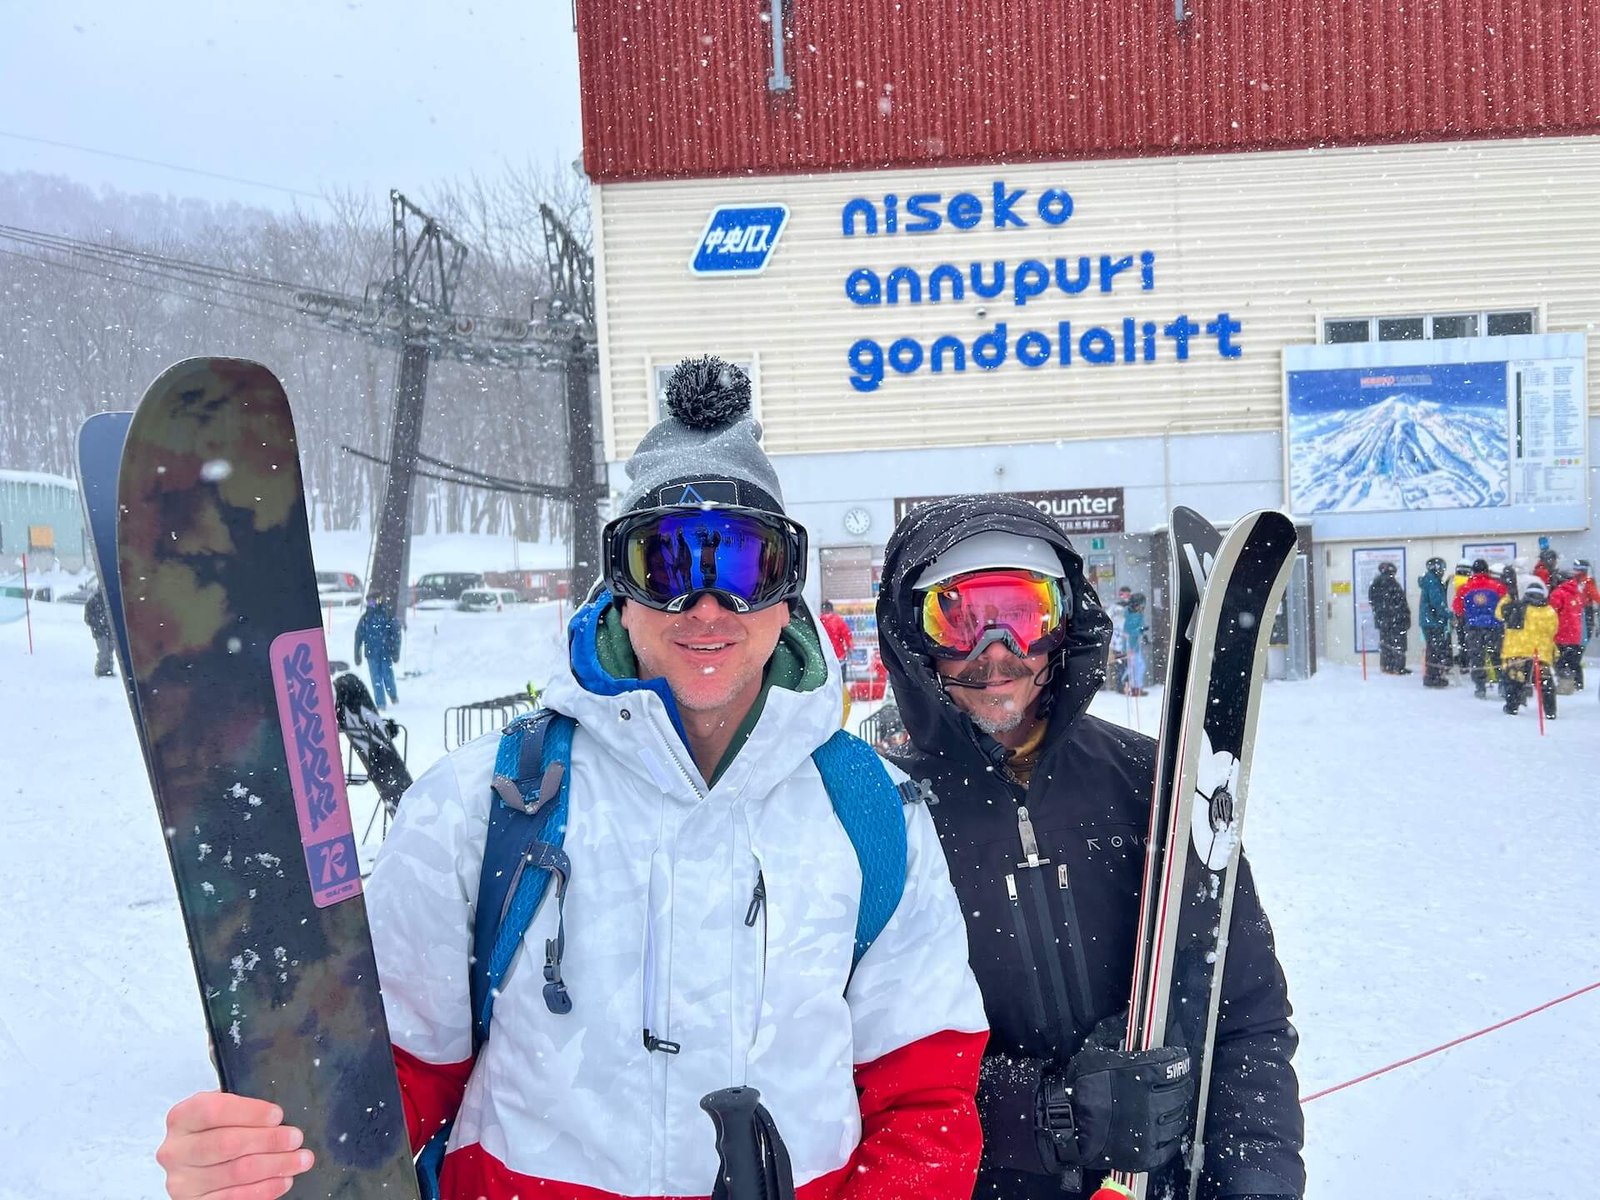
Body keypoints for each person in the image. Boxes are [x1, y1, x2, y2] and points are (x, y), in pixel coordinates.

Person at [154, 356, 987, 1200]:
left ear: (786, 594)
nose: (706, 607)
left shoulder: (874, 812)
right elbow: (393, 1080)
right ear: (619, 588)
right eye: (667, 566)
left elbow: (926, 1103)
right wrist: (268, 1157)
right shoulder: (481, 804)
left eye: (741, 565)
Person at [874, 496, 1305, 1200]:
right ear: (911, 635)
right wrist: (1046, 1115)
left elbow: (1245, 1015)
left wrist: (1254, 1182)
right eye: (958, 619)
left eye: (1022, 614)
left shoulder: (1156, 784)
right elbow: (857, 1066)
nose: (996, 654)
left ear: (1064, 624)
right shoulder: (876, 812)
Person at [1497, 576, 1558, 718]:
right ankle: (1550, 711)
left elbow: (1499, 613)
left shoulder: (1517, 608)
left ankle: (1512, 707)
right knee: (1545, 683)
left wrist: (1509, 596)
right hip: (1541, 654)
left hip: (1517, 652)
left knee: (1514, 680)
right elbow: (1554, 631)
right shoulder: (1550, 611)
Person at [1452, 558, 1506, 699]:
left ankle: (1480, 687)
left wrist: (1470, 614)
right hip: (1495, 627)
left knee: (1477, 658)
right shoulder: (1497, 586)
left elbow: (1458, 608)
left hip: (1474, 628)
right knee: (1497, 656)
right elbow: (1505, 605)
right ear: (1487, 571)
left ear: (1473, 572)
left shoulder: (1465, 588)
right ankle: (1502, 684)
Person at [354, 598, 402, 709]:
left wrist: (395, 651)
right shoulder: (366, 618)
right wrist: (357, 653)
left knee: (386, 676)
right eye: (372, 601)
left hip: (384, 652)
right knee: (377, 678)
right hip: (373, 654)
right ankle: (381, 703)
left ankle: (392, 696)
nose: (374, 603)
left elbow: (396, 634)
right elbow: (358, 636)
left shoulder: (387, 616)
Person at [1367, 561, 1411, 674]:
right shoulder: (1393, 584)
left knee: (1386, 643)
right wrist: (1405, 616)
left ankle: (1386, 665)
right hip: (1396, 619)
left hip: (1383, 621)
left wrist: (1380, 614)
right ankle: (1398, 666)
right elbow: (1401, 603)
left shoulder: (1375, 584)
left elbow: (1372, 602)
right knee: (1398, 643)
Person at [1547, 569, 1586, 692]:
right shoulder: (1577, 593)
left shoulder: (1558, 593)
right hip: (1575, 633)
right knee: (1573, 660)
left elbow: (1552, 613)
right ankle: (1577, 683)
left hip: (1561, 633)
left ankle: (1565, 687)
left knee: (1561, 661)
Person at [1417, 557, 1453, 688]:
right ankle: (1433, 677)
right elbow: (1437, 602)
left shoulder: (1430, 580)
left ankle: (1432, 675)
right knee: (1435, 650)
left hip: (1430, 620)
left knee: (1433, 649)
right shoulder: (1433, 581)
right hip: (1433, 621)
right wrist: (1449, 614)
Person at [83, 584, 114, 677]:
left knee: (109, 649)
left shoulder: (109, 598)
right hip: (99, 631)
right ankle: (101, 669)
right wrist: (97, 625)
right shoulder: (94, 599)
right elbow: (88, 617)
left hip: (109, 630)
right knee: (103, 650)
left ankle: (108, 668)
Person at [1122, 591, 1149, 695]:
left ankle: (1135, 687)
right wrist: (1140, 629)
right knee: (1136, 666)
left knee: (1136, 666)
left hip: (1135, 645)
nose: (1142, 608)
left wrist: (1143, 632)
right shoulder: (1129, 615)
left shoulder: (1138, 614)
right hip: (1130, 646)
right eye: (1141, 606)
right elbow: (1128, 631)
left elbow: (1138, 627)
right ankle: (1133, 686)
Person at [818, 598, 854, 665]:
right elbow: (847, 635)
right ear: (831, 609)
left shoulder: (819, 621)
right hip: (838, 654)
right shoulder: (838, 620)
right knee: (841, 674)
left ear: (822, 610)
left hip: (824, 655)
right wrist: (850, 647)